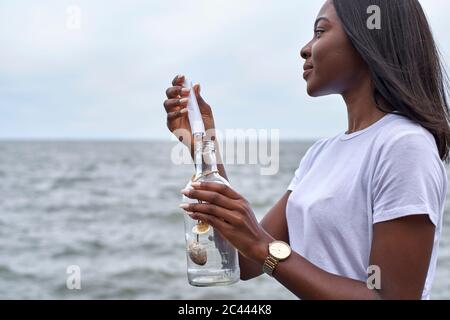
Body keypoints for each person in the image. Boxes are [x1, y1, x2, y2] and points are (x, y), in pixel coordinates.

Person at [163, 0, 449, 300]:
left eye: (320, 31)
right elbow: (245, 260)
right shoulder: (321, 154)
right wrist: (203, 143)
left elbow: (390, 297)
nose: (305, 48)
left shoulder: (404, 145)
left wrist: (263, 246)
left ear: (368, 39)